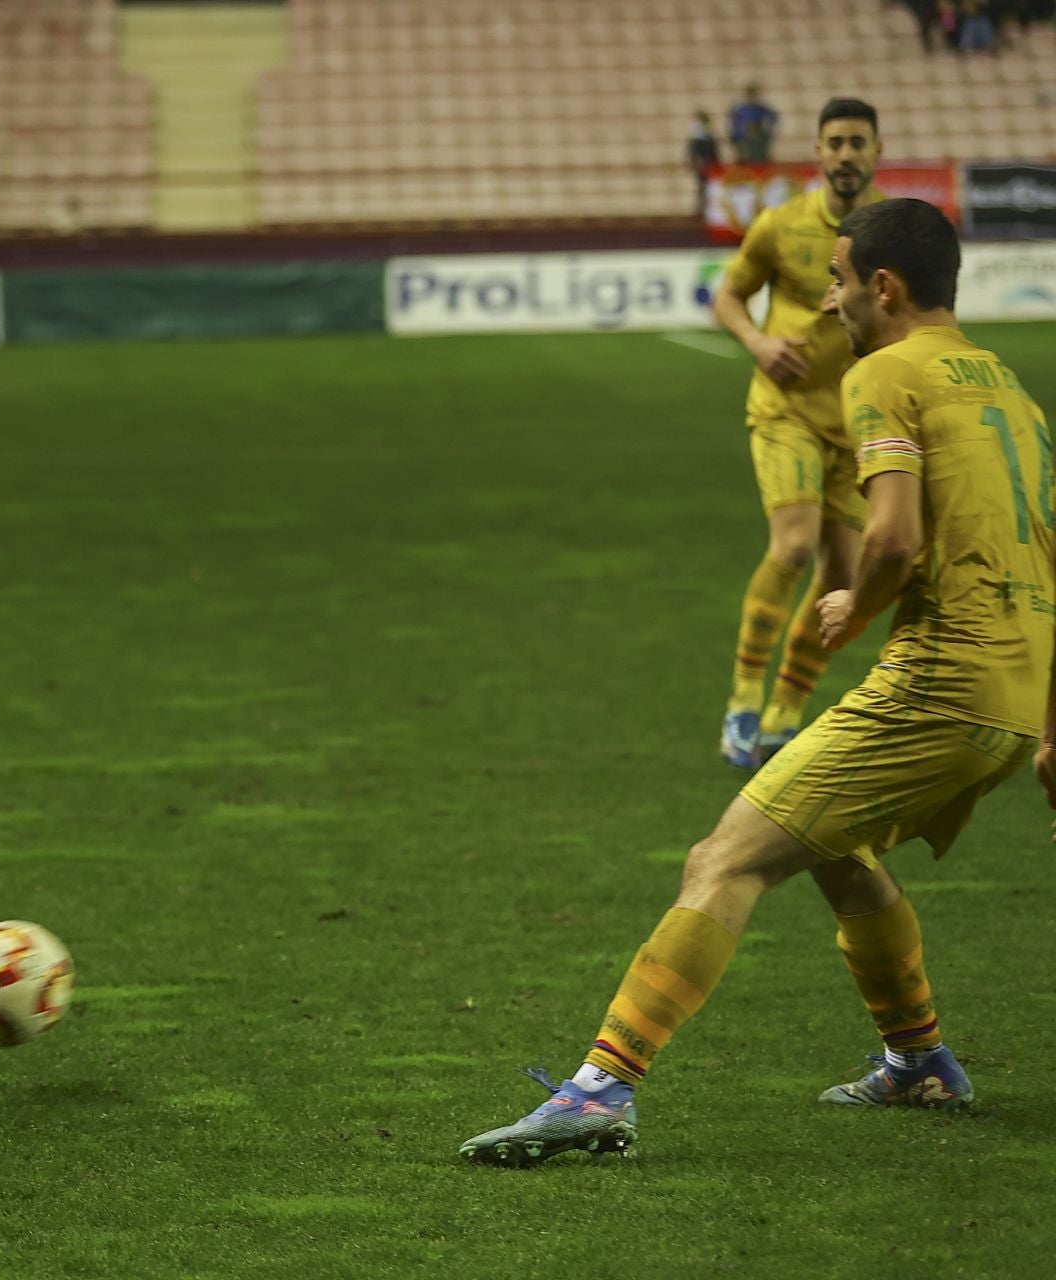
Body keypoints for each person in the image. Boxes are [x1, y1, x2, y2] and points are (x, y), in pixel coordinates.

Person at [460, 198, 1052, 1167]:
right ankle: (921, 1058)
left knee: (723, 856)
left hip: (941, 679)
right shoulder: (1013, 392)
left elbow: (893, 538)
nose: (830, 293)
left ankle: (600, 1088)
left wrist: (854, 606)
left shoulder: (882, 373)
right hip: (1015, 694)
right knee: (832, 839)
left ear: (885, 288)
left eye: (842, 276)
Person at [711, 99, 884, 770]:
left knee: (842, 575)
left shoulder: (892, 233)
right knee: (791, 546)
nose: (845, 154)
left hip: (858, 424)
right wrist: (756, 341)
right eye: (835, 142)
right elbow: (727, 296)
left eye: (857, 142)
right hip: (786, 409)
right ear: (817, 151)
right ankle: (742, 702)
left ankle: (785, 713)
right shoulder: (779, 227)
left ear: (876, 150)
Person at [727, 85, 779, 165]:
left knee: (761, 158)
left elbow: (773, 116)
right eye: (750, 94)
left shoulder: (760, 108)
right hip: (745, 135)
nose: (752, 96)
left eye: (754, 94)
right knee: (746, 159)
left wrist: (768, 129)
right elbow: (735, 124)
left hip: (759, 134)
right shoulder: (741, 109)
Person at [686, 111, 721, 216]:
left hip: (711, 165)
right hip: (702, 166)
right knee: (702, 187)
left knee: (711, 188)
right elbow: (693, 152)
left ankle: (709, 209)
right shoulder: (696, 136)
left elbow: (714, 152)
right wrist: (696, 162)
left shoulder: (709, 135)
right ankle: (701, 209)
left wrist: (716, 164)